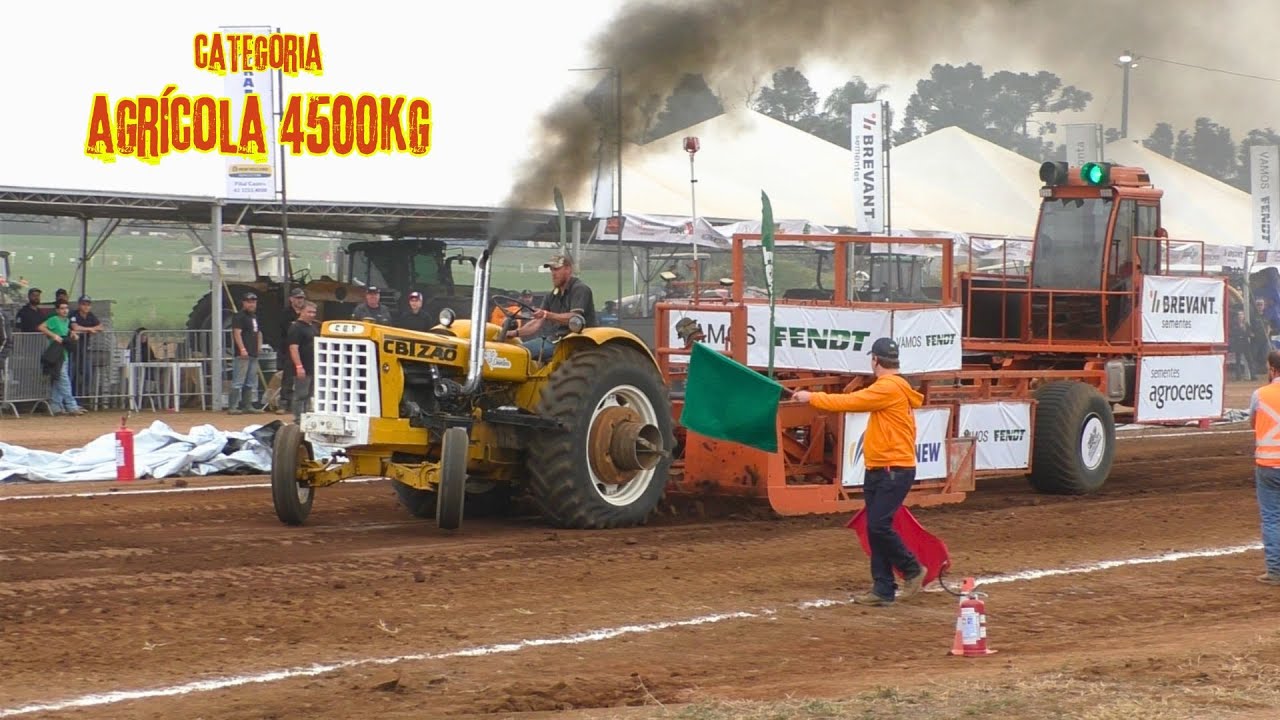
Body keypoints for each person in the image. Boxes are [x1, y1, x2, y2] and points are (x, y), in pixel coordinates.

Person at [792, 337, 928, 606]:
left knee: (877, 526)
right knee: (876, 527)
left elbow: (850, 402)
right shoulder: (895, 387)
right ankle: (882, 588)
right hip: (883, 467)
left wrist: (812, 397)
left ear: (875, 360)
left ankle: (911, 568)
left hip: (892, 468)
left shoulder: (888, 387)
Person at [508, 254, 595, 362]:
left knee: (518, 353)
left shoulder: (580, 289)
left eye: (557, 269)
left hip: (574, 341)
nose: (553, 274)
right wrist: (514, 333)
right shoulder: (551, 296)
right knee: (512, 350)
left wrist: (546, 314)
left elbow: (574, 318)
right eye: (551, 270)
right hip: (555, 339)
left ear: (568, 269)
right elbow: (536, 323)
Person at [1249, 350, 1280, 586]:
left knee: (1271, 518)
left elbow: (1253, 422)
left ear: (1272, 369)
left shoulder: (1260, 395)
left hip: (1268, 465)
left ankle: (1275, 570)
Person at [37, 300, 86, 416]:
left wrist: (72, 333)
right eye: (62, 308)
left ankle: (55, 406)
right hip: (56, 355)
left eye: (66, 308)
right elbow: (41, 327)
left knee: (58, 379)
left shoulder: (66, 321)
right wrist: (53, 335)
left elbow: (65, 330)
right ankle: (71, 406)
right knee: (64, 381)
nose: (65, 310)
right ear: (57, 310)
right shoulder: (54, 319)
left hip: (64, 354)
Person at [228, 292, 264, 415]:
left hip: (253, 352)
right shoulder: (239, 317)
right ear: (243, 303)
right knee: (238, 380)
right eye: (249, 302)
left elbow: (258, 332)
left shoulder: (254, 317)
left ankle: (247, 405)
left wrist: (259, 346)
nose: (251, 304)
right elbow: (237, 333)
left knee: (250, 381)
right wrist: (242, 349)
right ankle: (232, 406)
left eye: (253, 302)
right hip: (243, 353)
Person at [276, 288, 308, 415]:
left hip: (303, 350)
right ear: (291, 299)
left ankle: (299, 405)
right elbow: (282, 332)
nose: (300, 300)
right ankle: (283, 403)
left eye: (302, 298)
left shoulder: (305, 313)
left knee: (304, 379)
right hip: (289, 349)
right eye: (298, 298)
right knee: (288, 378)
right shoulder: (285, 314)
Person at [286, 301, 318, 423]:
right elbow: (293, 348)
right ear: (301, 312)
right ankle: (298, 418)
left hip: (313, 366)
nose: (312, 314)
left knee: (310, 394)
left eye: (314, 312)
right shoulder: (296, 327)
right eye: (309, 312)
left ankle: (307, 416)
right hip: (302, 366)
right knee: (301, 394)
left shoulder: (313, 327)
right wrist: (299, 366)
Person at [69, 295, 103, 400]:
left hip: (84, 349)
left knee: (87, 375)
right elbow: (75, 327)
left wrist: (86, 329)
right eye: (84, 304)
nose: (86, 307)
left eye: (88, 305)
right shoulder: (74, 314)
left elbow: (100, 327)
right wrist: (89, 330)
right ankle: (70, 398)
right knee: (70, 374)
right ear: (79, 305)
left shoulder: (91, 315)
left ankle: (80, 397)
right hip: (73, 350)